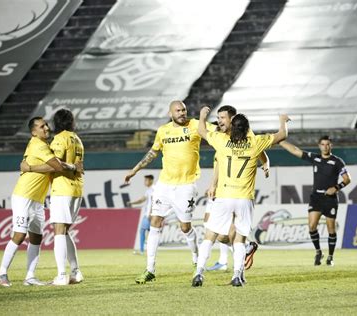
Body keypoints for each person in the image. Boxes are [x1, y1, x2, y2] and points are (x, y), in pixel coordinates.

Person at [193, 107, 289, 287]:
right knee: (239, 239)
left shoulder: (221, 140)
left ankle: (198, 273)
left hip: (224, 195)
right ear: (247, 129)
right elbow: (282, 135)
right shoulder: (255, 143)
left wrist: (202, 115)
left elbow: (201, 131)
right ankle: (237, 275)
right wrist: (283, 120)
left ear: (232, 125)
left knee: (210, 235)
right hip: (244, 198)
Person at [124, 100, 215, 284]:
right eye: (178, 110)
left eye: (184, 110)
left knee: (185, 227)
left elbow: (219, 132)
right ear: (170, 113)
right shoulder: (163, 131)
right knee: (155, 222)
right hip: (164, 185)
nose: (182, 113)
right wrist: (134, 170)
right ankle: (150, 269)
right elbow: (152, 153)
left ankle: (196, 261)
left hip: (186, 185)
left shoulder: (196, 125)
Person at [0, 117, 78, 287]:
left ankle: (30, 276)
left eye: (46, 125)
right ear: (34, 132)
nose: (46, 128)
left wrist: (64, 165)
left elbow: (56, 165)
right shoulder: (38, 145)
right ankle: (2, 273)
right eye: (42, 127)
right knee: (19, 235)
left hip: (38, 199)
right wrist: (71, 166)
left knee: (36, 237)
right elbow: (57, 166)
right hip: (24, 196)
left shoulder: (44, 146)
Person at [205, 105, 268, 272]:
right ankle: (244, 249)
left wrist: (266, 164)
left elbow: (259, 150)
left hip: (234, 191)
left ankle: (228, 262)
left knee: (222, 231)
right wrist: (213, 184)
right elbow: (218, 162)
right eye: (218, 118)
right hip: (221, 188)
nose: (219, 121)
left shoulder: (246, 135)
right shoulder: (219, 132)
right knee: (220, 235)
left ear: (232, 120)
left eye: (223, 118)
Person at [279, 136, 351, 266]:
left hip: (330, 200)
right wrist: (280, 141)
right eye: (323, 144)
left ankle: (330, 256)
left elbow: (347, 179)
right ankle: (318, 252)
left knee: (331, 229)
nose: (325, 147)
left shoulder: (337, 161)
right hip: (316, 198)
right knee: (312, 226)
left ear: (331, 146)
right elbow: (295, 150)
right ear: (319, 146)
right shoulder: (315, 158)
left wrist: (336, 187)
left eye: (327, 144)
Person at [47, 109, 85, 285]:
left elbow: (55, 163)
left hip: (62, 188)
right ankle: (76, 272)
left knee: (59, 231)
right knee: (65, 230)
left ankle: (62, 275)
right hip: (77, 189)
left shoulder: (60, 138)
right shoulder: (77, 139)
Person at [126, 175, 154, 255]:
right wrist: (132, 203)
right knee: (148, 232)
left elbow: (153, 202)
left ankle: (144, 251)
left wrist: (150, 213)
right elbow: (142, 199)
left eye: (146, 180)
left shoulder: (153, 189)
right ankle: (147, 251)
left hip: (149, 215)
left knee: (145, 231)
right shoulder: (148, 190)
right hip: (148, 214)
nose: (145, 182)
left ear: (151, 180)